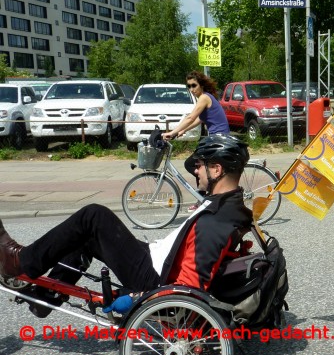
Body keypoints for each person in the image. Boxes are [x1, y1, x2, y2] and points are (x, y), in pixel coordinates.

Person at [0, 134, 252, 317]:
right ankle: (48, 296)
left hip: (155, 279)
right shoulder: (226, 205)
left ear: (216, 169)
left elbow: (190, 288)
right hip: (158, 260)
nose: (195, 171)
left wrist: (136, 298)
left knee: (93, 217)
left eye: (200, 165)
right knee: (88, 235)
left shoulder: (215, 221)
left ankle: (20, 261)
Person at [163, 71, 230, 211]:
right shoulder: (206, 97)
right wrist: (182, 131)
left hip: (218, 139)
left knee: (191, 164)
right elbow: (200, 119)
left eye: (194, 85)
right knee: (198, 166)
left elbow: (191, 117)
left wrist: (173, 132)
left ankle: (204, 197)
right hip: (217, 138)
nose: (191, 89)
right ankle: (207, 193)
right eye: (189, 86)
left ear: (201, 85)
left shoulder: (204, 97)